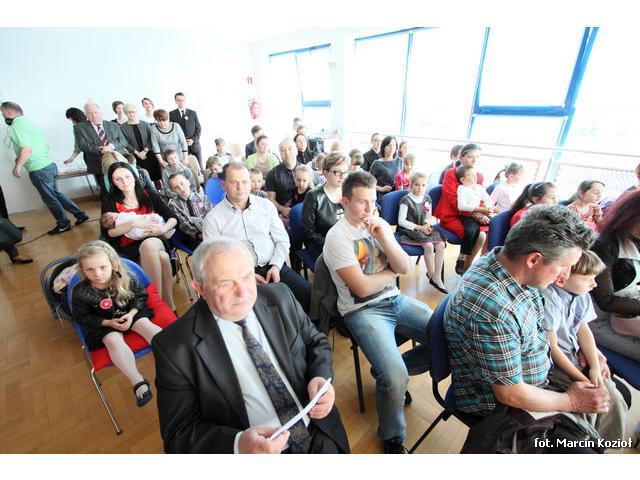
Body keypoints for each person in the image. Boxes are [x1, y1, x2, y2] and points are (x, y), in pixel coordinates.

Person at [152, 239, 350, 453]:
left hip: (320, 430)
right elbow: (178, 435)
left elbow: (316, 342)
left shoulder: (281, 296)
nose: (243, 292)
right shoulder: (173, 347)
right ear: (200, 288)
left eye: (247, 276)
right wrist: (238, 444)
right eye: (226, 284)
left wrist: (320, 376)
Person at [444, 205, 611, 451]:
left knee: (611, 399)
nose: (565, 276)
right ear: (533, 259)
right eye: (564, 266)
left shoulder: (508, 264)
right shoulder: (494, 311)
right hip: (503, 404)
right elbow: (510, 394)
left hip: (536, 379)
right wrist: (573, 401)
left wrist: (585, 349)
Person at [323, 171, 432, 453]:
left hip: (394, 299)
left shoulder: (379, 224)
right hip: (363, 310)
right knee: (394, 378)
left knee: (447, 335)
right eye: (362, 202)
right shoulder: (337, 238)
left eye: (373, 201)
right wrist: (390, 272)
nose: (370, 208)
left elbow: (404, 267)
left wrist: (384, 235)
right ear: (345, 202)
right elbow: (361, 288)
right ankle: (392, 437)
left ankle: (389, 376)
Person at [202, 162, 312, 312]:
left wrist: (276, 266)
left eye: (244, 182)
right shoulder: (213, 219)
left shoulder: (266, 206)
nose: (240, 187)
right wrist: (244, 276)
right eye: (234, 182)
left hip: (275, 266)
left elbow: (282, 240)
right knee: (267, 312)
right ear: (223, 185)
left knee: (310, 297)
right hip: (240, 278)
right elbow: (215, 260)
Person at [542, 250, 627, 442]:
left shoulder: (581, 295)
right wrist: (582, 378)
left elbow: (584, 330)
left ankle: (607, 444)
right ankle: (590, 442)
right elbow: (553, 349)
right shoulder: (549, 299)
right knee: (595, 401)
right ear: (561, 279)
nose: (594, 284)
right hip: (556, 367)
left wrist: (595, 367)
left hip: (574, 359)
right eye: (588, 278)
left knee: (613, 397)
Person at [72, 240, 162, 407]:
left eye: (102, 267)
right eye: (90, 269)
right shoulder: (80, 291)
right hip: (104, 323)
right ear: (82, 270)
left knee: (147, 326)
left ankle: (171, 362)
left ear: (113, 264)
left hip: (130, 312)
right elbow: (81, 317)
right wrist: (108, 322)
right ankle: (138, 381)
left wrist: (132, 314)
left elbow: (141, 296)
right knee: (113, 341)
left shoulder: (127, 277)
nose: (97, 274)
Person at [1, 101, 89, 235]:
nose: (2, 116)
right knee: (55, 194)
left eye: (2, 113)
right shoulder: (30, 124)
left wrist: (17, 167)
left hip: (38, 168)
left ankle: (63, 224)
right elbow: (46, 145)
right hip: (48, 165)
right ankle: (80, 214)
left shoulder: (16, 126)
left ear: (9, 113)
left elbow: (26, 149)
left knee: (50, 198)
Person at [101, 162, 178, 311]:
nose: (124, 182)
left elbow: (173, 218)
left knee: (148, 245)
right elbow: (109, 233)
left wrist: (161, 230)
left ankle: (154, 305)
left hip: (155, 239)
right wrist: (133, 223)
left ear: (134, 176)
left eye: (127, 176)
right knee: (162, 258)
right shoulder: (110, 200)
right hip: (129, 248)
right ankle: (169, 307)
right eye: (118, 179)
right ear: (113, 182)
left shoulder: (149, 195)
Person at [589, 189, 640, 361]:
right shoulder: (604, 245)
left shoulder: (635, 242)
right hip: (600, 320)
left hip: (625, 315)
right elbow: (606, 300)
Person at [434, 143, 486, 274]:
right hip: (451, 215)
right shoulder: (450, 173)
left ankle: (466, 266)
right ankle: (464, 265)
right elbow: (453, 199)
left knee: (483, 235)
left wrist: (481, 211)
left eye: (477, 157)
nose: (474, 161)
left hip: (470, 215)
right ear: (461, 157)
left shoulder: (479, 175)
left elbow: (480, 197)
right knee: (477, 236)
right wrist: (475, 213)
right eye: (470, 157)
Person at [396, 172, 447, 293]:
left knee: (441, 244)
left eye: (423, 185)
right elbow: (401, 221)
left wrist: (427, 225)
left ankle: (437, 277)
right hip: (410, 229)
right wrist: (420, 228)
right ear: (411, 185)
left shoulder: (427, 198)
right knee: (428, 246)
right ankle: (431, 274)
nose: (420, 188)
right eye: (417, 185)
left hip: (424, 227)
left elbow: (428, 217)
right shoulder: (405, 200)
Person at [73, 101, 129, 193]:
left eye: (95, 112)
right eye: (89, 113)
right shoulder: (79, 128)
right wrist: (103, 149)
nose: (93, 115)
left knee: (124, 188)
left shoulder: (113, 125)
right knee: (105, 190)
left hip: (118, 161)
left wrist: (111, 146)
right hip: (97, 163)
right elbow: (82, 146)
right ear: (86, 115)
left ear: (100, 112)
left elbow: (123, 141)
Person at [302, 152, 347, 261]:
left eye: (345, 172)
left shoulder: (348, 192)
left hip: (346, 242)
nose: (342, 176)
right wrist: (333, 244)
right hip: (323, 246)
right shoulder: (313, 196)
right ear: (325, 173)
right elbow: (310, 232)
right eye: (337, 172)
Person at [167, 172, 213, 251]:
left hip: (209, 231)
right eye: (176, 187)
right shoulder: (173, 205)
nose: (181, 188)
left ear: (188, 182)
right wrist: (200, 235)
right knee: (209, 249)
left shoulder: (203, 198)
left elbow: (212, 215)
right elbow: (184, 225)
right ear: (173, 190)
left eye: (182, 183)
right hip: (192, 237)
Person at [120, 104, 161, 183]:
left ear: (137, 112)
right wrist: (137, 153)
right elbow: (125, 143)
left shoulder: (145, 124)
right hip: (135, 156)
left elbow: (151, 138)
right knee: (141, 179)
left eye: (133, 112)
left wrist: (145, 151)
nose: (131, 114)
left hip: (149, 153)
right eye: (128, 112)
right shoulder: (122, 127)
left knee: (156, 177)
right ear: (125, 113)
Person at [456, 165, 495, 242]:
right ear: (463, 179)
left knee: (496, 223)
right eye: (472, 175)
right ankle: (465, 250)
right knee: (470, 231)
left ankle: (491, 248)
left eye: (475, 174)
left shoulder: (479, 187)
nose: (475, 177)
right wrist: (479, 209)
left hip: (481, 213)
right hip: (467, 216)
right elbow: (461, 206)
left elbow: (488, 200)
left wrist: (485, 209)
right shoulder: (461, 189)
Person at [265, 139, 301, 220]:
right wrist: (282, 209)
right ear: (280, 154)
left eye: (290, 149)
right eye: (283, 150)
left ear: (296, 151)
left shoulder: (306, 169)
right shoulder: (273, 174)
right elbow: (270, 200)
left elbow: (313, 192)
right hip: (283, 215)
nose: (287, 153)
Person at [169, 92, 202, 166]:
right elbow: (172, 131)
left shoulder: (193, 113)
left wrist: (193, 140)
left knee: (199, 167)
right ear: (175, 101)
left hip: (194, 145)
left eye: (183, 100)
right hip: (180, 147)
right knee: (184, 167)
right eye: (179, 100)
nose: (181, 102)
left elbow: (198, 128)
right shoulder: (171, 114)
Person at [370, 136, 402, 203]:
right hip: (383, 197)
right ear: (383, 147)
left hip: (398, 194)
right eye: (388, 145)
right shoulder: (376, 164)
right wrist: (381, 189)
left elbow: (405, 177)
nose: (391, 147)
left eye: (394, 145)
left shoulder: (399, 161)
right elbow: (369, 184)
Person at [100, 211, 165, 241]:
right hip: (139, 232)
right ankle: (160, 223)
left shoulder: (117, 223)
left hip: (139, 235)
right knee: (153, 219)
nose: (115, 212)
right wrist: (133, 222)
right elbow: (131, 216)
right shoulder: (120, 218)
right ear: (113, 217)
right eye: (112, 213)